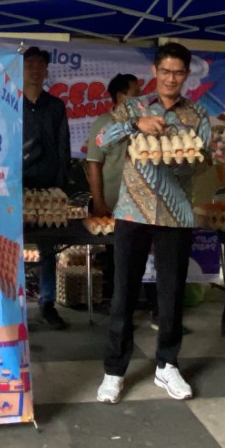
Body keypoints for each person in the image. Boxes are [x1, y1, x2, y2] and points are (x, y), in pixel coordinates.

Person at [94, 42, 211, 404]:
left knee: (171, 293)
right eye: (165, 72)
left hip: (176, 214)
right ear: (155, 72)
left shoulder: (197, 115)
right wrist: (135, 125)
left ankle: (167, 364)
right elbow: (101, 139)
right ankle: (114, 371)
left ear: (186, 75)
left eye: (178, 72)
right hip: (133, 211)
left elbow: (206, 160)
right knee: (124, 293)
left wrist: (185, 155)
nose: (171, 79)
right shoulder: (134, 107)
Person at [22, 46, 71, 330]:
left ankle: (47, 303)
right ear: (21, 69)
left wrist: (62, 185)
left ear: (46, 71)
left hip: (48, 186)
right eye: (29, 64)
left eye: (40, 64)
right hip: (18, 184)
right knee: (12, 245)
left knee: (48, 249)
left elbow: (64, 145)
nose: (35, 69)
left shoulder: (55, 106)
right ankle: (12, 305)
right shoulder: (10, 103)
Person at [84, 73, 139, 311]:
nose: (141, 99)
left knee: (140, 257)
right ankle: (117, 307)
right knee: (117, 257)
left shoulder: (145, 125)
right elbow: (94, 165)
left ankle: (139, 302)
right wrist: (98, 202)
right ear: (120, 96)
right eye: (136, 94)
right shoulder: (104, 125)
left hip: (142, 206)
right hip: (113, 204)